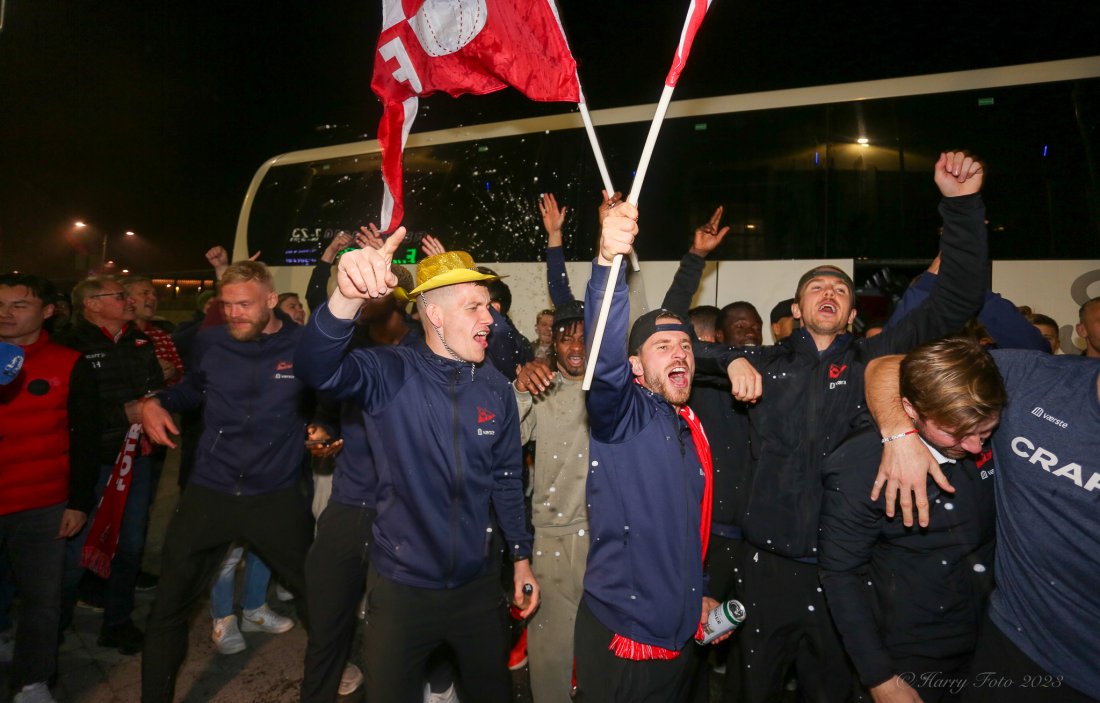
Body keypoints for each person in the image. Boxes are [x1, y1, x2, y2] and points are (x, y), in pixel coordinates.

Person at [698, 151, 989, 702]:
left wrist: (962, 206)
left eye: (840, 290)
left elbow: (957, 298)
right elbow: (672, 351)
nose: (829, 294)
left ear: (853, 312)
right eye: (816, 289)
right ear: (797, 307)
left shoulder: (877, 359)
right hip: (765, 570)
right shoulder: (762, 362)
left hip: (848, 575)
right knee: (750, 691)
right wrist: (729, 359)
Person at [295, 235, 538, 703]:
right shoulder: (390, 371)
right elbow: (315, 368)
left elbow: (507, 478)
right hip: (401, 589)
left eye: (488, 306)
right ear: (434, 314)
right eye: (475, 307)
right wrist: (345, 298)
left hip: (479, 588)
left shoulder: (495, 387)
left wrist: (522, 558)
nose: (490, 318)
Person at [866, 348, 1100, 702]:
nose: (976, 445)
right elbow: (886, 366)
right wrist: (899, 435)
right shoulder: (1030, 375)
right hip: (1014, 642)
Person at [139, 260, 315, 703]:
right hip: (210, 491)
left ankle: (331, 672)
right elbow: (192, 388)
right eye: (226, 304)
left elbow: (329, 399)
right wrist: (155, 400)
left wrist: (326, 429)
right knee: (167, 607)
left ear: (271, 301)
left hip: (275, 496)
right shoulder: (210, 340)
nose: (233, 313)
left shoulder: (304, 344)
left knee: (318, 597)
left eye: (244, 304)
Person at [575, 201, 730, 702]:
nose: (679, 351)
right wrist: (606, 264)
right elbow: (603, 356)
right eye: (662, 347)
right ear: (636, 368)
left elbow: (686, 528)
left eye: (684, 345)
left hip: (682, 626)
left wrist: (698, 594)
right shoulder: (625, 415)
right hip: (629, 635)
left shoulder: (687, 425)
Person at [819, 338, 1004, 702]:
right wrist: (881, 678)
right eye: (955, 433)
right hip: (912, 649)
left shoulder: (988, 390)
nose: (974, 447)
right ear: (911, 408)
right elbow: (840, 574)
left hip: (995, 635)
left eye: (985, 431)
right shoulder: (861, 465)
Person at [0, 273, 98, 703]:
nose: (6, 313)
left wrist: (78, 502)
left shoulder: (70, 362)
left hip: (41, 504)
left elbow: (85, 437)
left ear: (47, 312)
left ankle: (33, 680)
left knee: (43, 599)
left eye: (19, 305)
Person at [53, 276, 164, 654]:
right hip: (91, 463)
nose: (127, 301)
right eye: (118, 296)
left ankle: (117, 621)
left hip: (136, 459)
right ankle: (53, 625)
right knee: (74, 551)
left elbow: (153, 391)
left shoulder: (139, 341)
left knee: (131, 545)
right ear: (92, 304)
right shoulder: (70, 345)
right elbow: (66, 411)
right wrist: (123, 413)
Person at [512, 300, 589, 702]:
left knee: (606, 651)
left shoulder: (614, 387)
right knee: (550, 655)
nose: (575, 345)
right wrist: (521, 387)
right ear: (552, 344)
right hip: (553, 536)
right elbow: (506, 438)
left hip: (608, 537)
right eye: (565, 336)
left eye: (583, 335)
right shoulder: (542, 387)